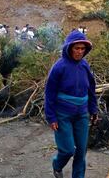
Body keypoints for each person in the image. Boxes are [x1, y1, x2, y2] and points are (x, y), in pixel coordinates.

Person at [45, 30, 98, 178]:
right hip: (63, 115)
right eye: (76, 48)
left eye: (82, 49)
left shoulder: (84, 66)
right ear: (69, 48)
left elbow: (91, 89)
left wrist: (93, 109)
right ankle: (57, 165)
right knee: (68, 150)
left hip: (82, 114)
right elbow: (49, 93)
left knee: (81, 151)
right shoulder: (59, 67)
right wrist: (51, 117)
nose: (80, 52)